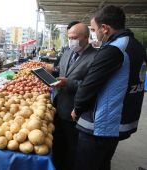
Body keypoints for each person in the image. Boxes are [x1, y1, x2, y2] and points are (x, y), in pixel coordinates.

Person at [72, 5, 147, 170]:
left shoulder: (113, 49)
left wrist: (77, 108)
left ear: (104, 28)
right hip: (120, 123)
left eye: (93, 29)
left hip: (100, 126)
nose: (94, 33)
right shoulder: (136, 46)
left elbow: (89, 85)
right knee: (103, 164)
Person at [52, 23, 97, 170]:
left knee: (72, 151)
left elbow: (91, 86)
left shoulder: (95, 57)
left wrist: (68, 83)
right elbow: (62, 71)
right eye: (69, 37)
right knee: (58, 147)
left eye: (74, 38)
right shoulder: (67, 52)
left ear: (86, 37)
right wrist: (51, 75)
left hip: (76, 113)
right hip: (58, 108)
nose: (71, 41)